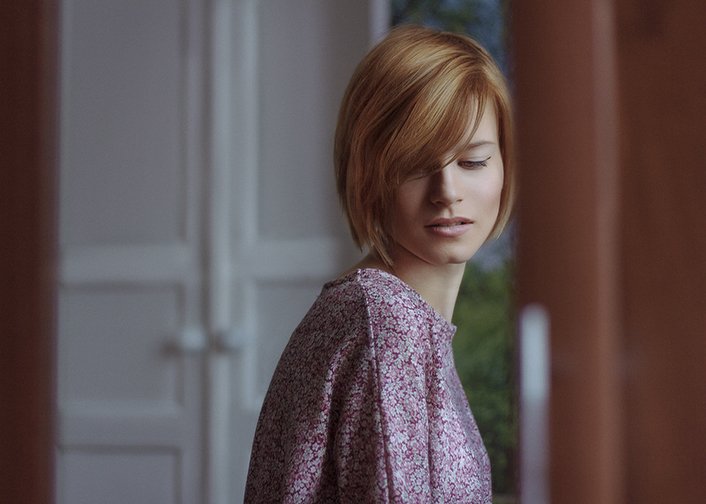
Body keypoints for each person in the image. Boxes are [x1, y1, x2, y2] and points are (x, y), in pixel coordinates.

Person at [244, 24, 514, 503]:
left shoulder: (380, 311)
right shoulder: (387, 320)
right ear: (368, 173)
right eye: (415, 164)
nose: (447, 192)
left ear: (505, 166)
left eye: (472, 162)